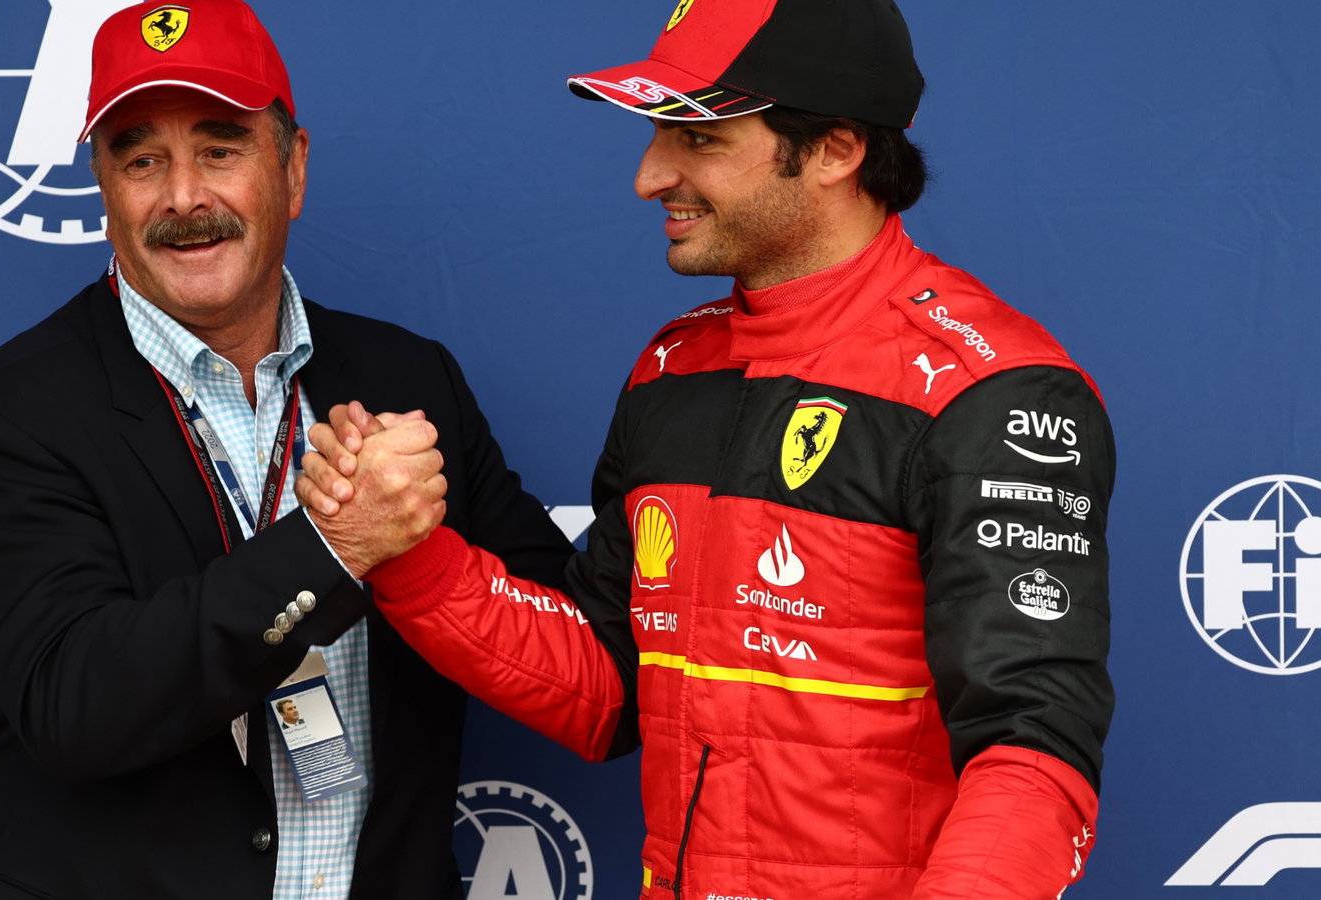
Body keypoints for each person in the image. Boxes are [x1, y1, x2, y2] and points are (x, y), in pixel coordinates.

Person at [298, 0, 1115, 897]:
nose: (650, 176)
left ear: (837, 149)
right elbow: (605, 690)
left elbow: (1034, 752)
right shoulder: (673, 369)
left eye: (700, 138)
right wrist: (407, 554)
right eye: (657, 134)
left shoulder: (987, 390)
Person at [0, 1, 571, 897]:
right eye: (142, 160)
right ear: (103, 187)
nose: (184, 198)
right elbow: (76, 709)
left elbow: (562, 632)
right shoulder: (2, 417)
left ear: (292, 169)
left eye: (220, 150)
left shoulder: (409, 379)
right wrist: (336, 547)